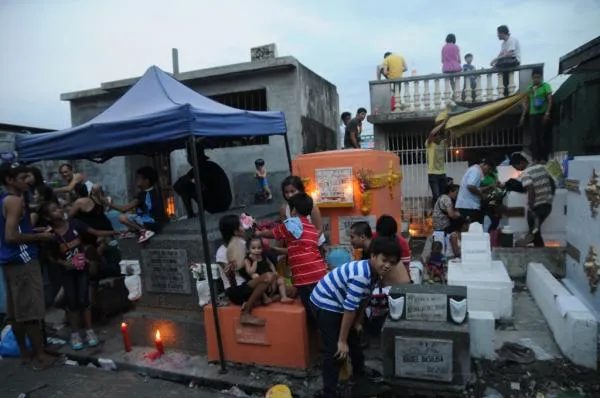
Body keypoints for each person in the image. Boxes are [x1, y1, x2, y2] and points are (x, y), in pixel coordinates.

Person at [310, 237, 401, 398]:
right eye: (384, 260)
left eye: (392, 263)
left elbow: (364, 298)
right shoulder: (361, 275)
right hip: (325, 302)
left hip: (341, 303)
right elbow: (350, 308)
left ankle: (359, 371)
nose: (387, 266)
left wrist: (358, 322)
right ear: (373, 256)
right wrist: (342, 341)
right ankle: (329, 392)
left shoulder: (375, 273)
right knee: (335, 350)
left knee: (355, 337)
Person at [0, 163, 56, 370]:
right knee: (31, 311)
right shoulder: (15, 201)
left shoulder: (3, 200)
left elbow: (12, 229)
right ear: (9, 180)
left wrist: (32, 229)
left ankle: (25, 353)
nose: (28, 181)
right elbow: (11, 235)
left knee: (16, 313)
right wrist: (40, 236)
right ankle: (40, 357)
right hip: (22, 260)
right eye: (23, 177)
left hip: (8, 262)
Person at [40, 202, 116, 350]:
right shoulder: (50, 234)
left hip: (82, 270)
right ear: (48, 217)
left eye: (59, 207)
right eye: (54, 210)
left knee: (84, 300)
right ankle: (75, 334)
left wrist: (116, 232)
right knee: (72, 303)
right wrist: (63, 263)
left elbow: (95, 232)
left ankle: (89, 331)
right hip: (66, 273)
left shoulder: (75, 224)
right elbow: (49, 257)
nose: (59, 210)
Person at [256, 193, 328, 319]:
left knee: (311, 311)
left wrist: (259, 233)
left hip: (304, 277)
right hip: (319, 272)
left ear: (293, 210)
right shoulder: (311, 229)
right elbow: (300, 250)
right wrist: (278, 249)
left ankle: (318, 333)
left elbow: (273, 233)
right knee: (321, 307)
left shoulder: (291, 224)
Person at [216, 214, 278, 326]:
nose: (243, 227)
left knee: (291, 291)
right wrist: (231, 269)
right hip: (236, 290)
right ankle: (246, 313)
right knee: (268, 277)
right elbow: (232, 279)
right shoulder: (221, 253)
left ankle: (257, 301)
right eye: (240, 225)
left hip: (253, 283)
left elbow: (259, 261)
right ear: (235, 232)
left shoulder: (243, 243)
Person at [108, 166, 167, 243]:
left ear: (146, 181)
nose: (136, 180)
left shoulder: (143, 195)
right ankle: (136, 231)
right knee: (132, 219)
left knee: (122, 218)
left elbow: (124, 209)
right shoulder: (152, 192)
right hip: (154, 222)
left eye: (138, 178)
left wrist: (107, 204)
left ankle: (143, 231)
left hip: (152, 223)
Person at [173, 142, 232, 217]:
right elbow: (178, 185)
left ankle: (191, 214)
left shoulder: (204, 168)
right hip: (222, 203)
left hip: (219, 204)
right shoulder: (202, 167)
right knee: (184, 185)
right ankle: (193, 214)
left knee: (185, 186)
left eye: (189, 156)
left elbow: (202, 190)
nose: (188, 159)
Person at [509, 152, 555, 247]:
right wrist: (550, 197)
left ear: (521, 162)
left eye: (516, 166)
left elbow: (530, 189)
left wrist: (531, 206)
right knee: (535, 231)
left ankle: (524, 244)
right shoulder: (542, 167)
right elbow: (552, 182)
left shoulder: (525, 174)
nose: (517, 169)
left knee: (534, 231)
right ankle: (538, 251)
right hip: (547, 205)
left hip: (536, 207)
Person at [243, 236, 293, 304]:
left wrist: (274, 271)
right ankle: (265, 297)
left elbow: (270, 264)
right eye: (253, 248)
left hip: (270, 278)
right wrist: (255, 262)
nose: (257, 250)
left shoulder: (263, 255)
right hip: (260, 281)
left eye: (259, 248)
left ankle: (283, 297)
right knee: (255, 275)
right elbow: (249, 272)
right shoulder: (247, 259)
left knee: (280, 280)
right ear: (248, 249)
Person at [279, 176, 325, 247]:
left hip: (314, 244)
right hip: (296, 247)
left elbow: (319, 229)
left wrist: (307, 242)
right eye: (286, 192)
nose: (289, 195)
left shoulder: (311, 205)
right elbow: (285, 230)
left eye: (292, 191)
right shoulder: (284, 209)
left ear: (300, 190)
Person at [519, 69, 553, 163]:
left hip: (543, 114)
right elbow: (527, 103)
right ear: (532, 78)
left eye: (538, 77)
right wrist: (523, 116)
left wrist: (547, 112)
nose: (536, 79)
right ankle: (535, 158)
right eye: (534, 78)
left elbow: (550, 100)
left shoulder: (545, 86)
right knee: (534, 138)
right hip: (533, 115)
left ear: (541, 78)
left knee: (542, 137)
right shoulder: (529, 88)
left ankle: (543, 158)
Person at [455, 158, 495, 224]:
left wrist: (490, 186)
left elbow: (476, 188)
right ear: (484, 164)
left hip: (468, 206)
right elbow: (470, 186)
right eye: (489, 168)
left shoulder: (475, 170)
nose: (489, 171)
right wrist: (482, 195)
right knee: (473, 229)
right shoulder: (476, 171)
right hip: (469, 206)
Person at [490, 25, 521, 97]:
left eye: (498, 33)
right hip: (507, 62)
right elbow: (500, 54)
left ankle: (506, 92)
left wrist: (495, 60)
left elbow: (509, 54)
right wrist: (494, 62)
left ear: (502, 33)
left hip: (515, 60)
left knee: (502, 62)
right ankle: (506, 93)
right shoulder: (503, 44)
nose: (497, 35)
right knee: (504, 74)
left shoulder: (511, 40)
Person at [426, 118, 449, 207]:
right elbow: (431, 134)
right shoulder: (429, 144)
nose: (439, 137)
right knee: (436, 196)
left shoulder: (443, 143)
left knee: (443, 196)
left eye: (440, 135)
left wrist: (447, 126)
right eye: (438, 135)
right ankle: (434, 212)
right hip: (433, 174)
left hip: (442, 173)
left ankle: (439, 212)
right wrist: (443, 124)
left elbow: (449, 136)